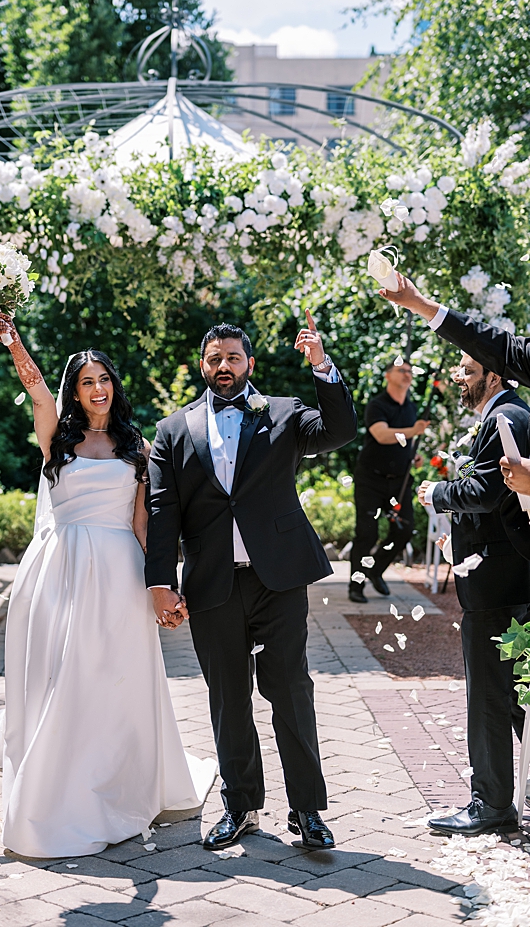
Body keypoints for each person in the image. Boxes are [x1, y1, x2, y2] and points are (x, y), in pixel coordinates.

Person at [0, 316, 214, 859]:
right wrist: (15, 341)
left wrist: (163, 585)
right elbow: (35, 391)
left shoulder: (136, 444)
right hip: (60, 569)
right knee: (68, 674)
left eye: (104, 379)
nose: (98, 389)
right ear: (75, 391)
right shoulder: (56, 439)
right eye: (86, 382)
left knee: (117, 677)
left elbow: (143, 523)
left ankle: (119, 784)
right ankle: (60, 792)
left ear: (114, 385)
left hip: (119, 570)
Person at [145, 319, 356, 854]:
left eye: (233, 358)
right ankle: (240, 805)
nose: (224, 367)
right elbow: (162, 510)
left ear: (249, 364)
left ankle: (307, 810)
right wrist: (160, 584)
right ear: (202, 365)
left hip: (278, 578)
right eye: (215, 358)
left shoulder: (283, 413)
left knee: (290, 690)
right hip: (213, 584)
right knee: (228, 698)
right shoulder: (173, 431)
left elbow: (341, 430)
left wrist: (320, 365)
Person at [379, 269, 530, 833]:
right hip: (502, 581)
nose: (459, 375)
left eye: (467, 368)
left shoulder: (508, 416)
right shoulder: (505, 413)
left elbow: (489, 494)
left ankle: (490, 805)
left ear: (493, 373)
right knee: (511, 700)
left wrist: (438, 492)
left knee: (491, 699)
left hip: (499, 585)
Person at [347, 357, 430, 603]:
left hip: (400, 481)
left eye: (409, 371)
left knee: (403, 530)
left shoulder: (411, 408)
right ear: (388, 376)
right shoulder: (377, 405)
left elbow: (408, 441)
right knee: (367, 533)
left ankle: (376, 569)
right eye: (400, 370)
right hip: (371, 479)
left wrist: (415, 456)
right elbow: (382, 435)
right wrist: (413, 431)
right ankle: (356, 586)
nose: (406, 374)